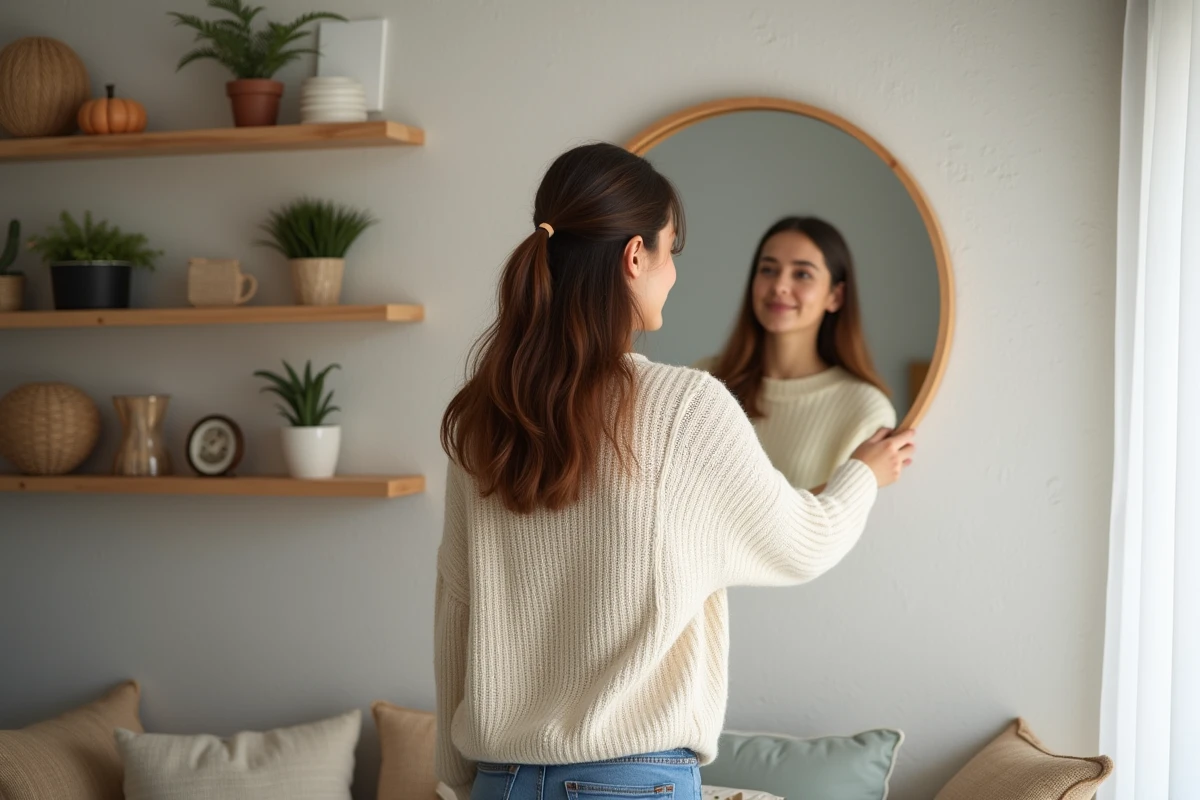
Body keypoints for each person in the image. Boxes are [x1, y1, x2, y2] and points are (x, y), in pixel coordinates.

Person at [435, 144, 914, 800]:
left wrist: (457, 779)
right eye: (671, 252)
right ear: (636, 257)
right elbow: (806, 542)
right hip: (630, 782)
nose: (673, 273)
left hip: (500, 783)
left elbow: (457, 611)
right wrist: (863, 473)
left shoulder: (482, 413)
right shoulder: (685, 404)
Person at [701, 217, 896, 490]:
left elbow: (840, 524)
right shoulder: (705, 381)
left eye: (802, 274)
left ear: (835, 297)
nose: (779, 285)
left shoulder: (864, 410)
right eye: (768, 270)